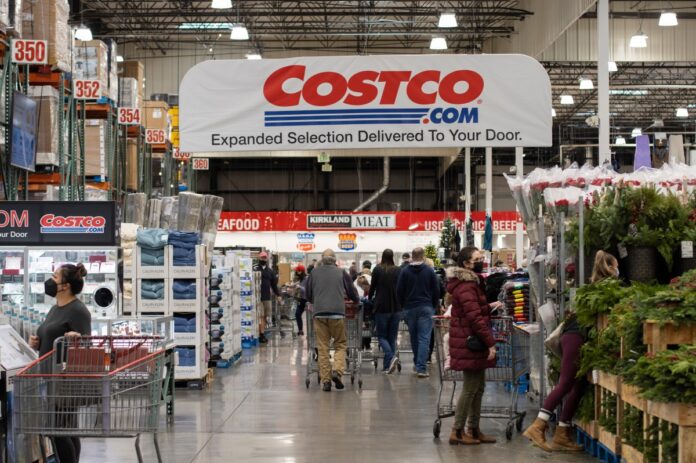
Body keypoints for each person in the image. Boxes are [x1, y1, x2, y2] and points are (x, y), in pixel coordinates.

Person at [523, 250, 619, 452]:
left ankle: (562, 433)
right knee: (566, 383)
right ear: (610, 268)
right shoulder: (604, 291)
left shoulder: (594, 288)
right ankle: (538, 426)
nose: (618, 270)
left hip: (576, 338)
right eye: (616, 267)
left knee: (578, 385)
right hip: (575, 337)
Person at [29, 263, 91, 463]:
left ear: (65, 285)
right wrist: (37, 342)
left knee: (57, 430)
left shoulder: (78, 311)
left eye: (55, 277)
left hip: (65, 381)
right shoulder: (55, 308)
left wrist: (77, 340)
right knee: (66, 429)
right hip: (50, 378)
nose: (50, 280)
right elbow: (51, 336)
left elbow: (87, 347)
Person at [447, 247, 498, 446]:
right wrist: (490, 343)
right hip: (469, 342)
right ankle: (457, 431)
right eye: (478, 259)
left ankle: (474, 429)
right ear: (466, 264)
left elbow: (475, 310)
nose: (481, 261)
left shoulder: (471, 283)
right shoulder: (467, 286)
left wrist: (489, 306)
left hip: (472, 341)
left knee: (479, 387)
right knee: (470, 388)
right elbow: (475, 318)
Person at [305, 249, 359, 392]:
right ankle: (337, 371)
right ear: (335, 260)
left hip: (319, 314)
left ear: (322, 259)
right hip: (337, 313)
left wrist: (316, 301)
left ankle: (326, 381)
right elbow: (352, 291)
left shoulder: (314, 273)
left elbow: (308, 294)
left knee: (322, 347)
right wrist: (356, 301)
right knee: (340, 344)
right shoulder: (341, 272)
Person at [396, 247, 440, 377]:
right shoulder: (429, 271)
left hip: (409, 308)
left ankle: (417, 364)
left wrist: (403, 306)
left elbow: (399, 291)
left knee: (414, 337)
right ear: (423, 256)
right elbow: (436, 290)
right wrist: (433, 306)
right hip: (426, 307)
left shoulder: (405, 271)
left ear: (412, 256)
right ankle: (421, 368)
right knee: (424, 338)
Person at [368, 249, 402, 374]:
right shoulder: (398, 270)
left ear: (382, 257)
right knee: (391, 337)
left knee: (381, 336)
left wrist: (369, 298)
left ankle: (390, 357)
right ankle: (387, 367)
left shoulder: (377, 269)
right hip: (396, 307)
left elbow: (372, 287)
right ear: (392, 257)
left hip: (381, 307)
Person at [256, 251, 282, 344]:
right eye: (262, 257)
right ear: (259, 258)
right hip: (257, 297)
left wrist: (278, 295)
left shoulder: (270, 271)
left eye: (265, 257)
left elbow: (274, 285)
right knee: (260, 316)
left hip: (266, 297)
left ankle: (262, 333)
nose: (263, 259)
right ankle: (260, 334)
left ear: (267, 258)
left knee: (265, 316)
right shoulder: (254, 269)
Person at [292, 265, 308, 336]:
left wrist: (300, 287)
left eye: (297, 271)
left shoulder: (307, 279)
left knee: (310, 316)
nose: (296, 273)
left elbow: (307, 290)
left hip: (307, 300)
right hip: (301, 299)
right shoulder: (300, 279)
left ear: (301, 271)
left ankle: (312, 332)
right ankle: (300, 330)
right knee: (297, 314)